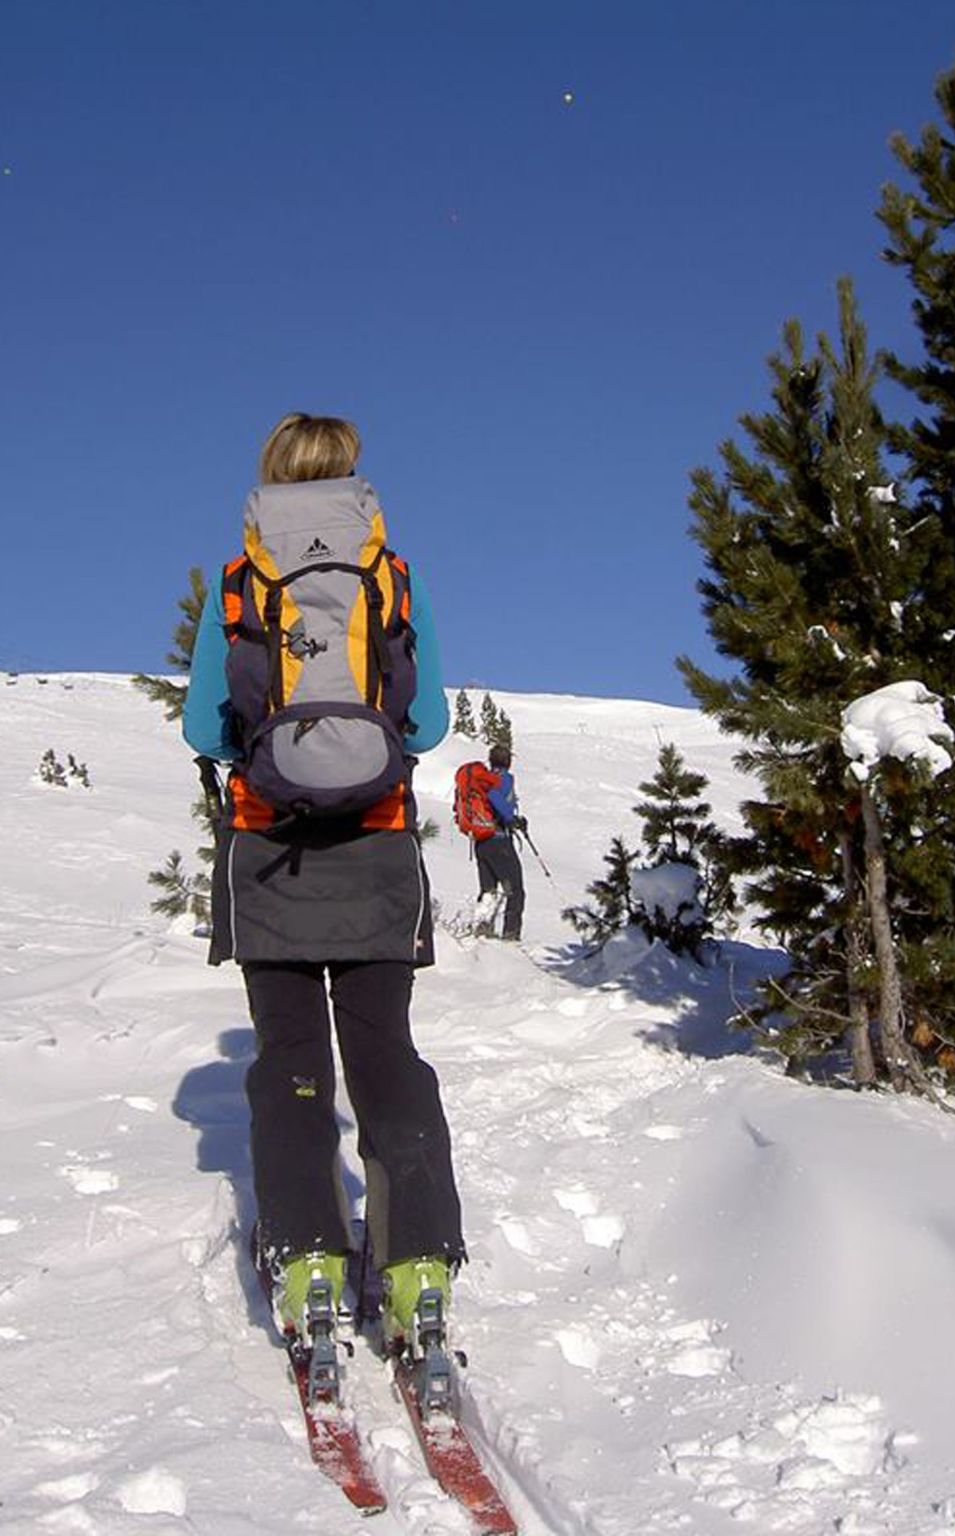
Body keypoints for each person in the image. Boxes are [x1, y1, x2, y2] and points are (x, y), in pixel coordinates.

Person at [182, 411, 464, 1355]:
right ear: (352, 473)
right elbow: (422, 725)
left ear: (270, 475)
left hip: (272, 853)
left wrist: (274, 752)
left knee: (291, 1064)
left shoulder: (240, 579)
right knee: (386, 1055)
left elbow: (202, 729)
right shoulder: (390, 573)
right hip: (379, 847)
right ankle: (418, 1259)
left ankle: (307, 1258)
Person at [474, 743, 527, 941]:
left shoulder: (483, 779)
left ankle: (481, 933)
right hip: (499, 841)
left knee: (488, 891)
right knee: (515, 892)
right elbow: (495, 796)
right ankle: (510, 938)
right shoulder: (504, 779)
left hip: (481, 841)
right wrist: (510, 818)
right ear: (509, 762)